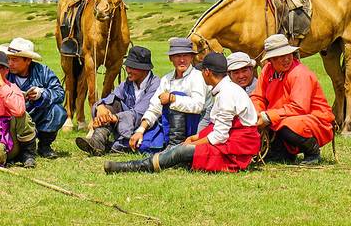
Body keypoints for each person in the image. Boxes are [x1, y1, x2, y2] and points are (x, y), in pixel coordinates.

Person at [104, 52, 260, 174]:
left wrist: (192, 144)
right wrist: (196, 137)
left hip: (236, 150)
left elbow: (220, 136)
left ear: (206, 72)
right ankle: (163, 156)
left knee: (183, 150)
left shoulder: (227, 93)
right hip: (231, 141)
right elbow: (217, 126)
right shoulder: (224, 90)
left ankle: (131, 166)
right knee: (183, 149)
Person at [250, 34, 335, 165]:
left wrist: (267, 117)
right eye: (280, 56)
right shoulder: (267, 70)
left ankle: (312, 152)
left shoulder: (300, 73)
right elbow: (258, 96)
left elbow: (299, 108)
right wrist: (256, 113)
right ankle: (284, 153)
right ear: (271, 60)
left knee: (287, 125)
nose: (286, 59)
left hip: (315, 120)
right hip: (282, 117)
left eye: (288, 54)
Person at [128, 38, 210, 153]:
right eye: (177, 56)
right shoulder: (166, 79)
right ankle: (170, 145)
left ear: (192, 57)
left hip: (196, 126)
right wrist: (140, 130)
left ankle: (176, 147)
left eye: (185, 56)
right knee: (143, 146)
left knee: (176, 94)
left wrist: (172, 98)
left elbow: (198, 106)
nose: (182, 60)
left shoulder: (197, 77)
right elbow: (155, 107)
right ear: (171, 58)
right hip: (170, 125)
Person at [75, 46, 160, 155]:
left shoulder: (155, 84)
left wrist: (115, 118)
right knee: (111, 104)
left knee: (133, 145)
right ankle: (98, 140)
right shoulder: (128, 83)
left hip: (145, 126)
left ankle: (105, 146)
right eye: (128, 66)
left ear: (145, 69)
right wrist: (101, 107)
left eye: (132, 67)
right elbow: (112, 97)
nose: (128, 70)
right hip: (125, 124)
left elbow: (140, 112)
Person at [0, 37, 67, 159]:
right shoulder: (2, 71)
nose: (9, 63)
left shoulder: (43, 72)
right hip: (11, 118)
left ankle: (44, 146)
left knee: (57, 110)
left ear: (28, 60)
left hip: (37, 114)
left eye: (14, 60)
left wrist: (42, 94)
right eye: (8, 59)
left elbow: (60, 93)